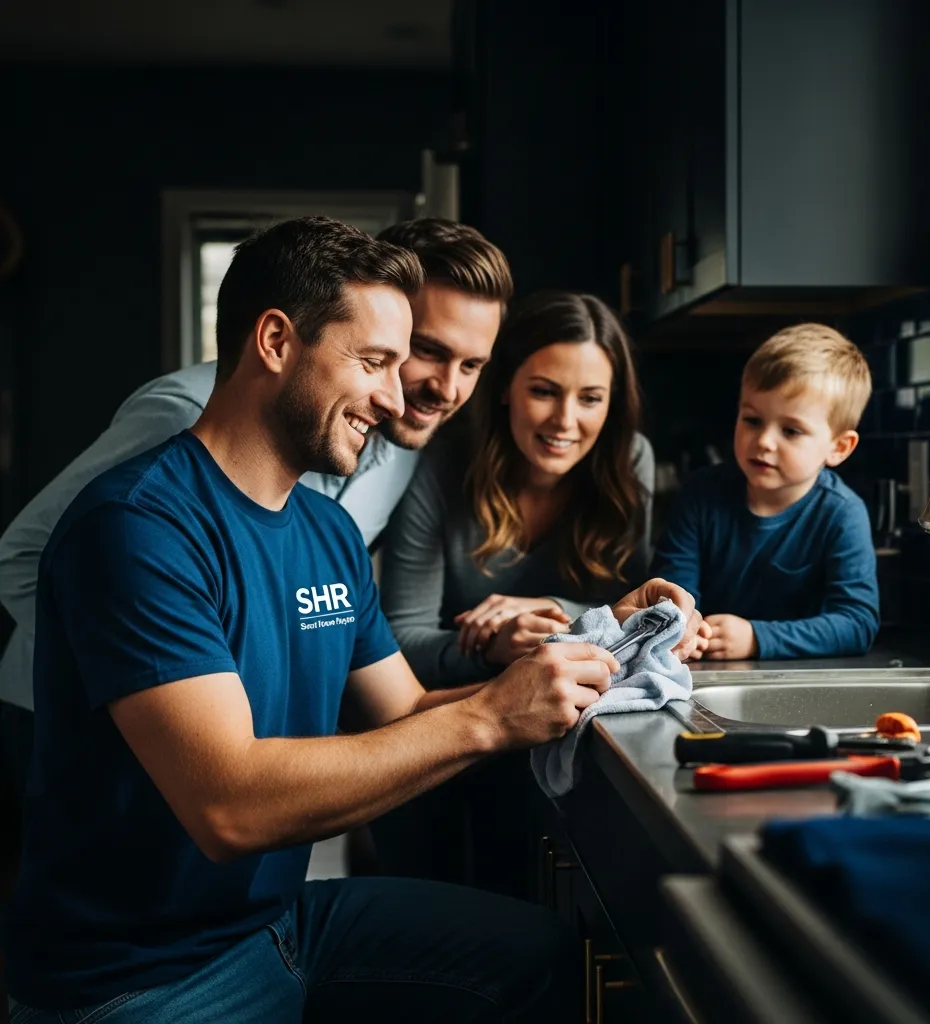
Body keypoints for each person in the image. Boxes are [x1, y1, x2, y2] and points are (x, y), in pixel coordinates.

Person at [2, 217, 703, 1023]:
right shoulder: (136, 526)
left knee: (552, 959)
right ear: (274, 341)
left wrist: (589, 645)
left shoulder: (329, 531)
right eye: (373, 363)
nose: (396, 393)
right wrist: (487, 718)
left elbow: (403, 710)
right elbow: (233, 807)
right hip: (141, 977)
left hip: (277, 923)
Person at [0, 217, 512, 802]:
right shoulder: (183, 422)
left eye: (472, 366)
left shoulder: (395, 440)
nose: (444, 389)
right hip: (81, 716)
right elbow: (22, 555)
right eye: (423, 351)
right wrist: (163, 668)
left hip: (246, 746)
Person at [374, 291, 660, 894]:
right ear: (505, 386)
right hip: (441, 735)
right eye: (544, 391)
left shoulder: (630, 463)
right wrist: (493, 648)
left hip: (562, 743)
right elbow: (399, 636)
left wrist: (557, 618)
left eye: (590, 399)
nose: (565, 421)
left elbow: (634, 619)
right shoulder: (444, 462)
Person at [652, 322, 880, 660]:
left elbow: (857, 623)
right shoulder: (700, 495)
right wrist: (683, 627)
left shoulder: (842, 513)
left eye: (791, 430)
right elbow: (671, 591)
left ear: (839, 447)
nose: (764, 441)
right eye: (752, 420)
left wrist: (757, 638)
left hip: (804, 687)